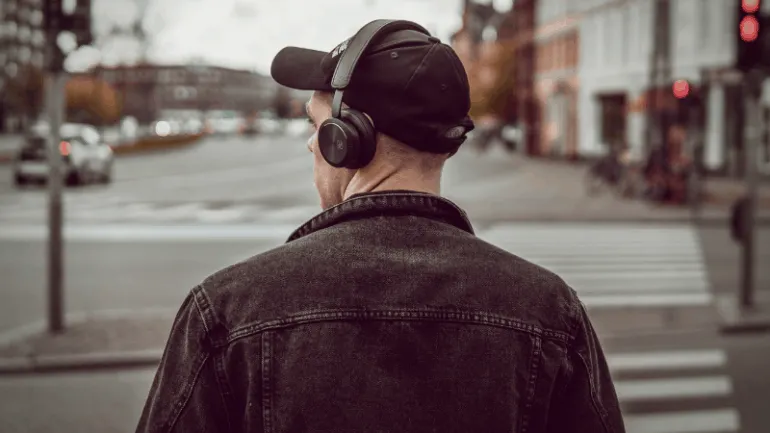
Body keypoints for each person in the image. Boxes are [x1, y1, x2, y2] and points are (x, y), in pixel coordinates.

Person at [136, 19, 625, 433]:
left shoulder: (226, 310)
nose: (312, 146)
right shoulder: (547, 311)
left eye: (316, 126)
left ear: (346, 138)